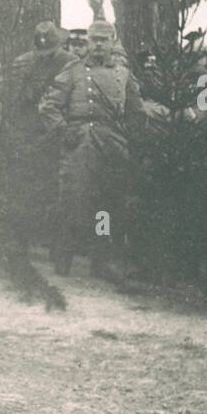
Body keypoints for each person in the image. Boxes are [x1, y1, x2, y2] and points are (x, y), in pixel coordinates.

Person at [39, 18, 144, 279]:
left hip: (113, 144)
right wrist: (64, 130)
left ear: (112, 42)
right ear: (87, 42)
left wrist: (128, 136)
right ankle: (64, 257)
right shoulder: (74, 71)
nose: (98, 45)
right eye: (94, 40)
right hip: (80, 142)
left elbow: (137, 111)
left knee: (105, 203)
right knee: (72, 200)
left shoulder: (123, 75)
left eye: (103, 40)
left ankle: (100, 258)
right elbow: (48, 105)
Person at [0, 21, 78, 259]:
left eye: (49, 51)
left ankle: (57, 246)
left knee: (56, 190)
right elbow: (13, 100)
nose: (44, 56)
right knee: (23, 188)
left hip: (56, 131)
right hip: (27, 133)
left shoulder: (69, 63)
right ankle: (20, 243)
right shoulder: (23, 62)